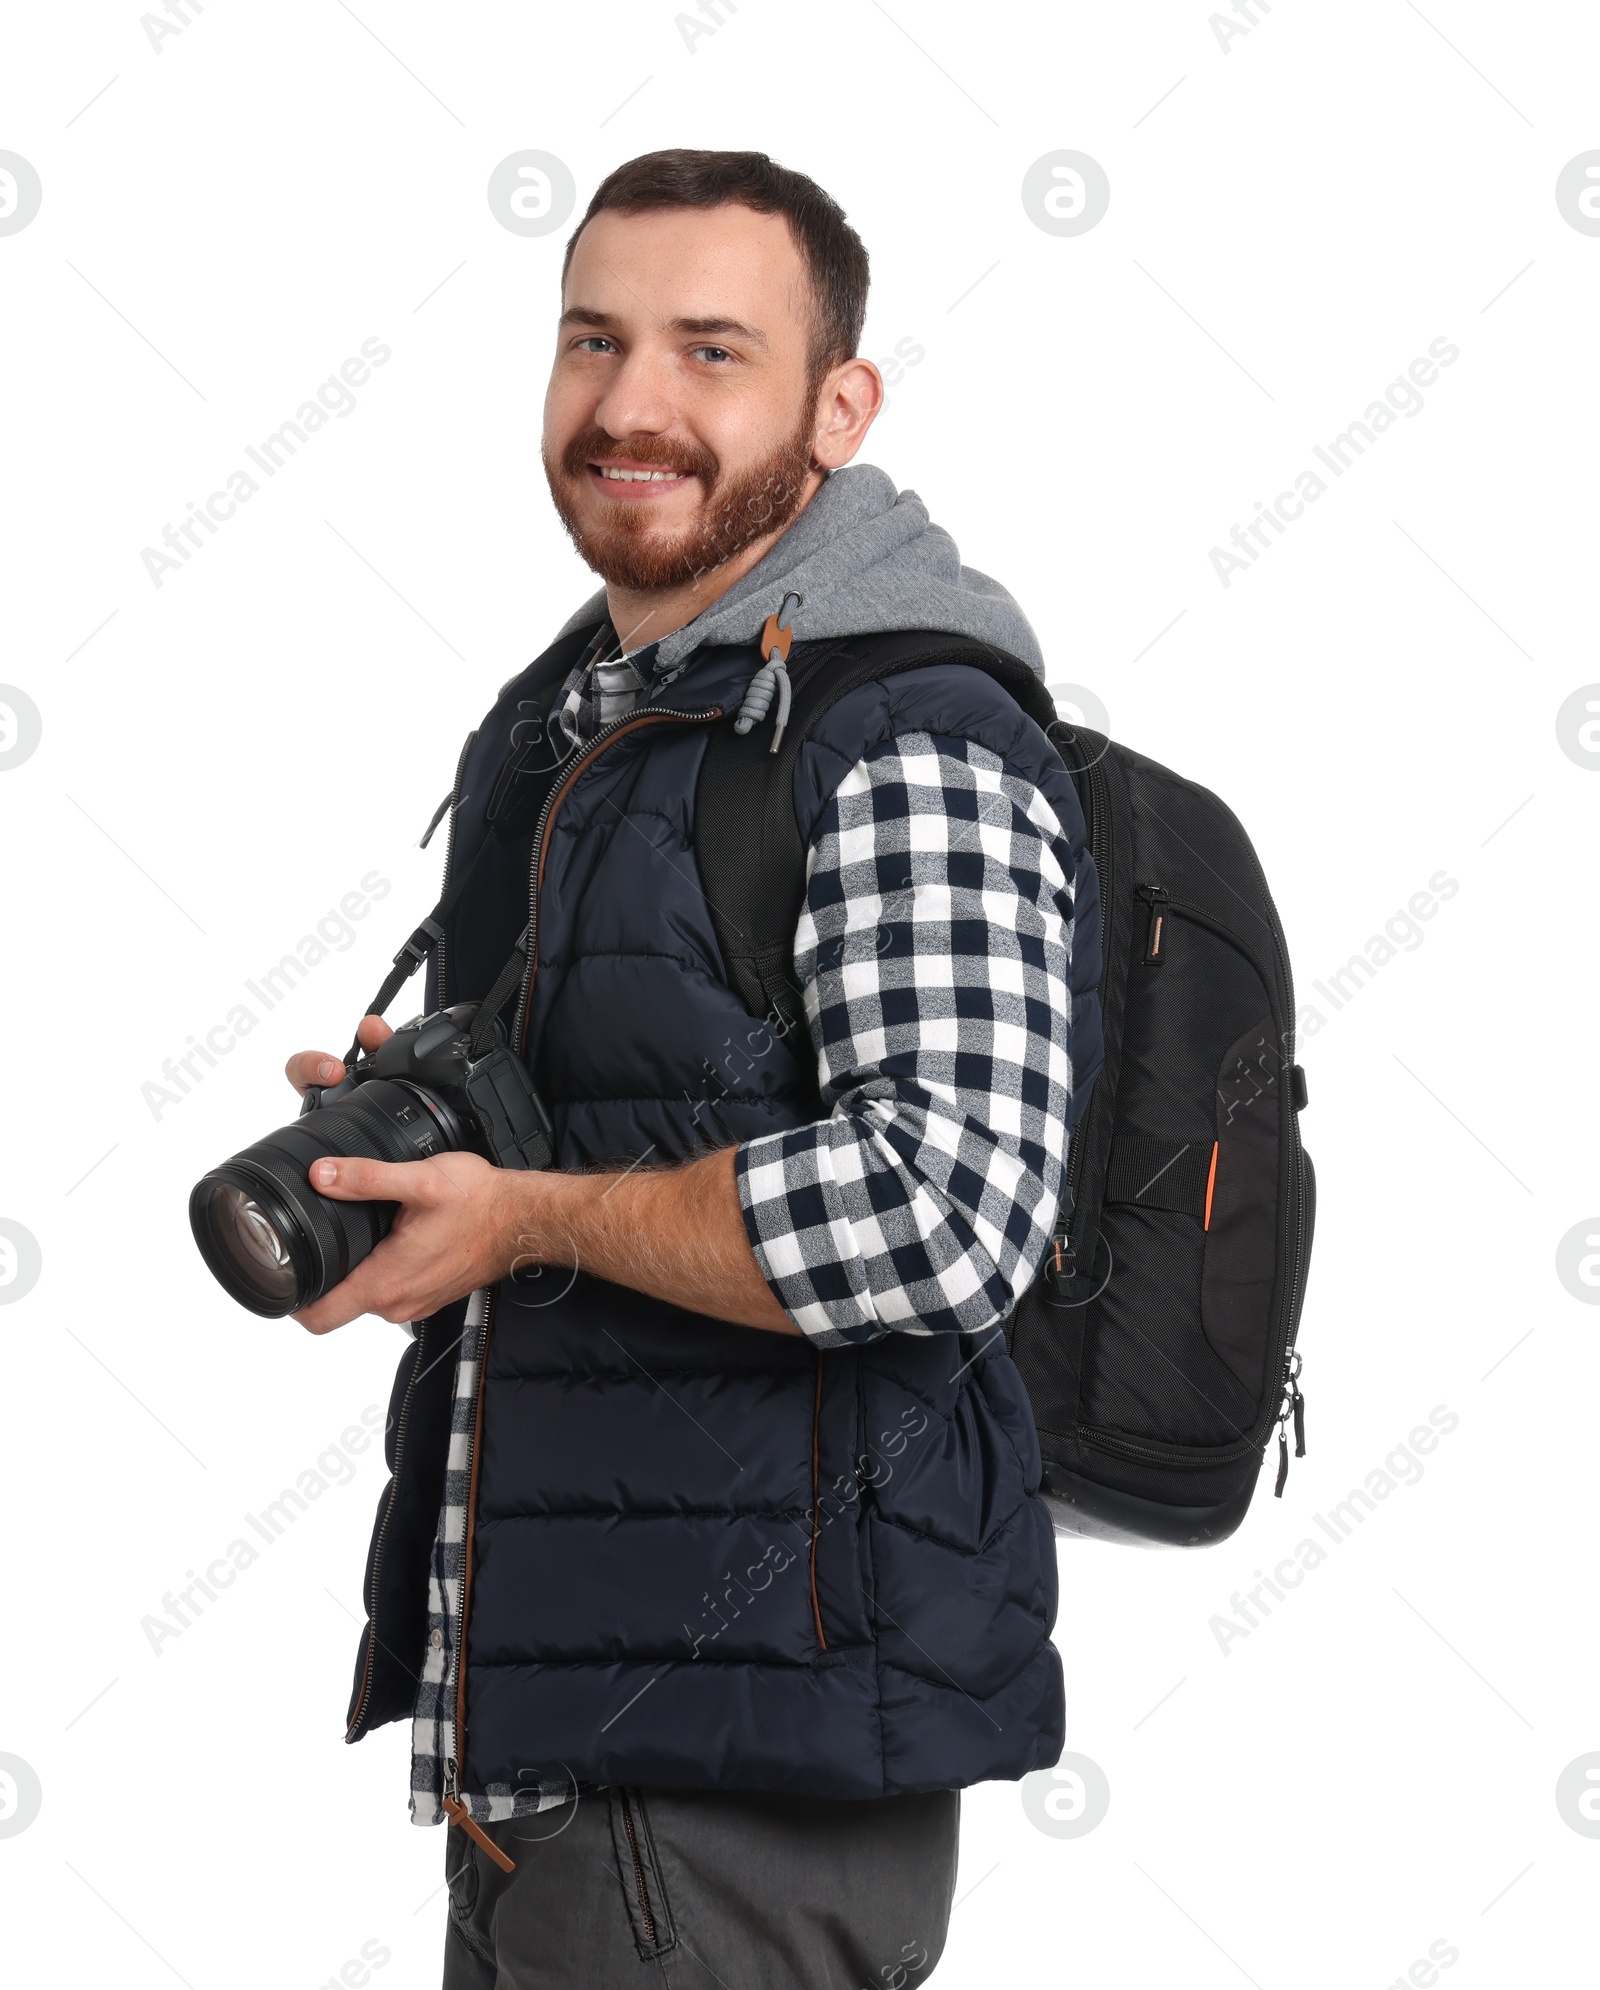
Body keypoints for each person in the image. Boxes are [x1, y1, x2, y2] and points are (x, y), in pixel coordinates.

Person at [284, 149, 1101, 1989]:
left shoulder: (906, 729)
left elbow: (949, 1203)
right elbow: (663, 1097)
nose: (630, 404)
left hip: (736, 1781)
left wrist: (527, 1217)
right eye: (593, 339)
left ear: (840, 402)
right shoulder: (594, 713)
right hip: (562, 1764)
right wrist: (442, 1124)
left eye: (709, 350)